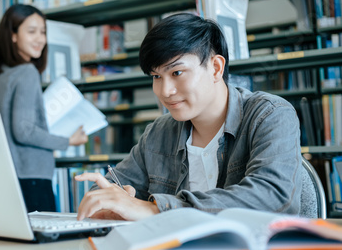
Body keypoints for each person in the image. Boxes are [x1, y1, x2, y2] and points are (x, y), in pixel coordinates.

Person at [75, 12, 303, 221]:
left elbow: (275, 197)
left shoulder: (270, 115)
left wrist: (154, 209)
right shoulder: (158, 133)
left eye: (177, 73)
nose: (165, 91)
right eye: (156, 76)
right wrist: (113, 202)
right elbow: (107, 189)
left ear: (215, 68)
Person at [0, 4, 88, 212]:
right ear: (13, 35)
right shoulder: (27, 73)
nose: (40, 39)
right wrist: (68, 141)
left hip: (4, 175)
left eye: (43, 32)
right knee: (45, 243)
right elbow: (24, 130)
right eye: (31, 31)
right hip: (31, 177)